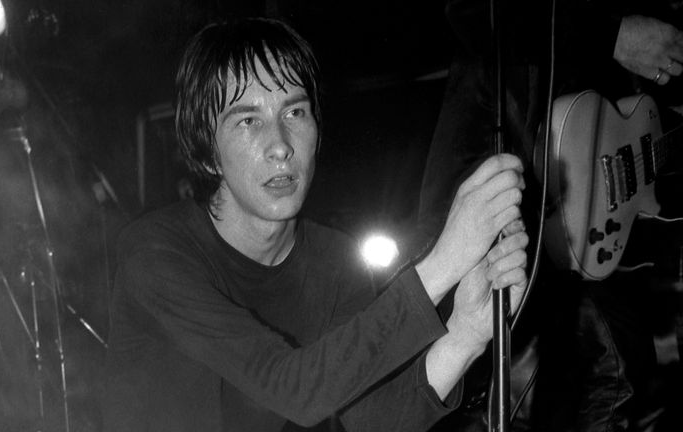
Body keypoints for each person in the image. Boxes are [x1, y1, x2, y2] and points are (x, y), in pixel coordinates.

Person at [102, 17, 529, 432]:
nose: (280, 146)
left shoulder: (335, 262)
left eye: (295, 113)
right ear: (208, 153)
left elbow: (375, 421)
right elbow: (294, 389)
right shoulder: (156, 252)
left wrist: (465, 334)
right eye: (248, 121)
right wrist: (445, 262)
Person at [416, 1, 683, 431]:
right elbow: (471, 11)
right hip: (511, 187)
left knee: (617, 382)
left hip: (603, 227)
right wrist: (613, 35)